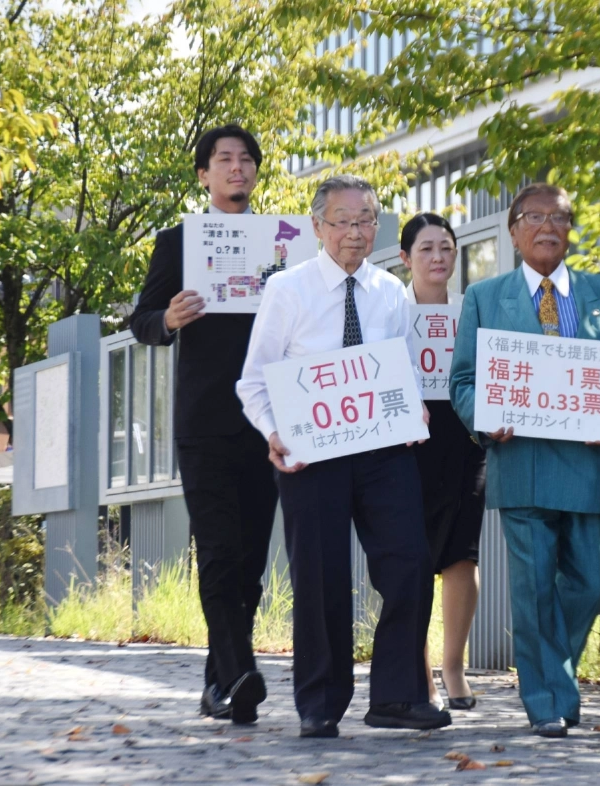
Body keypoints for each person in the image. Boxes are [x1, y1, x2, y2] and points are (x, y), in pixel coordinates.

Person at [236, 175, 452, 738]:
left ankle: (398, 697)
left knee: (409, 563)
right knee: (322, 574)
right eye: (343, 221)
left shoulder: (389, 291)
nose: (355, 232)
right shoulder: (288, 289)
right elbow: (253, 382)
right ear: (317, 226)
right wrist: (273, 433)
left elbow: (402, 366)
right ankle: (320, 701)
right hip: (311, 454)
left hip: (384, 451)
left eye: (365, 221)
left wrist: (415, 410)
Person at [450, 183, 600, 737]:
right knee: (533, 587)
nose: (547, 227)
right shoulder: (485, 298)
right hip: (522, 463)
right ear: (513, 230)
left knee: (588, 586)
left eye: (558, 217)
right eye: (534, 217)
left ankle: (549, 678)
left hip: (589, 464)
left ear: (571, 229)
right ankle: (548, 700)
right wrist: (483, 418)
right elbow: (463, 380)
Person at [130, 124, 279, 725]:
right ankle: (239, 670)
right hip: (205, 420)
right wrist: (168, 317)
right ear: (204, 174)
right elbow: (141, 319)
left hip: (269, 420)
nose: (236, 168)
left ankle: (220, 682)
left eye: (246, 159)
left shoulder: (284, 242)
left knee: (252, 562)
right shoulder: (178, 242)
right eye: (224, 160)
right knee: (217, 550)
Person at [399, 213, 487, 711]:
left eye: (446, 248)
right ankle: (418, 672)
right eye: (427, 249)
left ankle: (453, 666)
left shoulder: (471, 309)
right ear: (406, 258)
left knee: (461, 553)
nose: (438, 258)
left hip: (464, 441)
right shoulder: (390, 309)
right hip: (407, 444)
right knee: (410, 558)